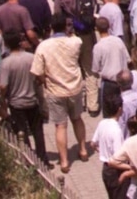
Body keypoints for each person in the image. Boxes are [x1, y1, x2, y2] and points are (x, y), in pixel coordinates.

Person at [31, 13, 88, 174]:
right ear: (66, 26)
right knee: (77, 119)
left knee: (60, 126)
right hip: (74, 87)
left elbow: (37, 71)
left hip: (55, 90)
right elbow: (77, 37)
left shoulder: (43, 46)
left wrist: (44, 81)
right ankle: (83, 150)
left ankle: (64, 161)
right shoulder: (75, 42)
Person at [55, 0, 100, 116]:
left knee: (72, 67)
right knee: (89, 69)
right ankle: (93, 105)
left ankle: (76, 104)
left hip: (70, 33)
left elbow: (57, 13)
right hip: (87, 32)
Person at [0, 29, 48, 165]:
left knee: (22, 132)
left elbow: (3, 86)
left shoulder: (6, 63)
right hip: (33, 100)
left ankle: (29, 160)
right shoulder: (31, 57)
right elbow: (40, 76)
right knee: (38, 131)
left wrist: (2, 98)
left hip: (16, 103)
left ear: (7, 45)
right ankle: (43, 159)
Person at [93, 92, 129, 199]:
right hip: (116, 172)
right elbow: (118, 160)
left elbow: (93, 143)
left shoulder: (102, 123)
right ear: (119, 109)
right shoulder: (116, 130)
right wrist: (132, 168)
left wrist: (103, 152)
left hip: (106, 170)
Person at [93, 16, 130, 104]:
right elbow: (128, 59)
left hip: (108, 83)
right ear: (109, 26)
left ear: (96, 29)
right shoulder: (118, 41)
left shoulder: (98, 46)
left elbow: (95, 69)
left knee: (109, 112)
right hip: (123, 81)